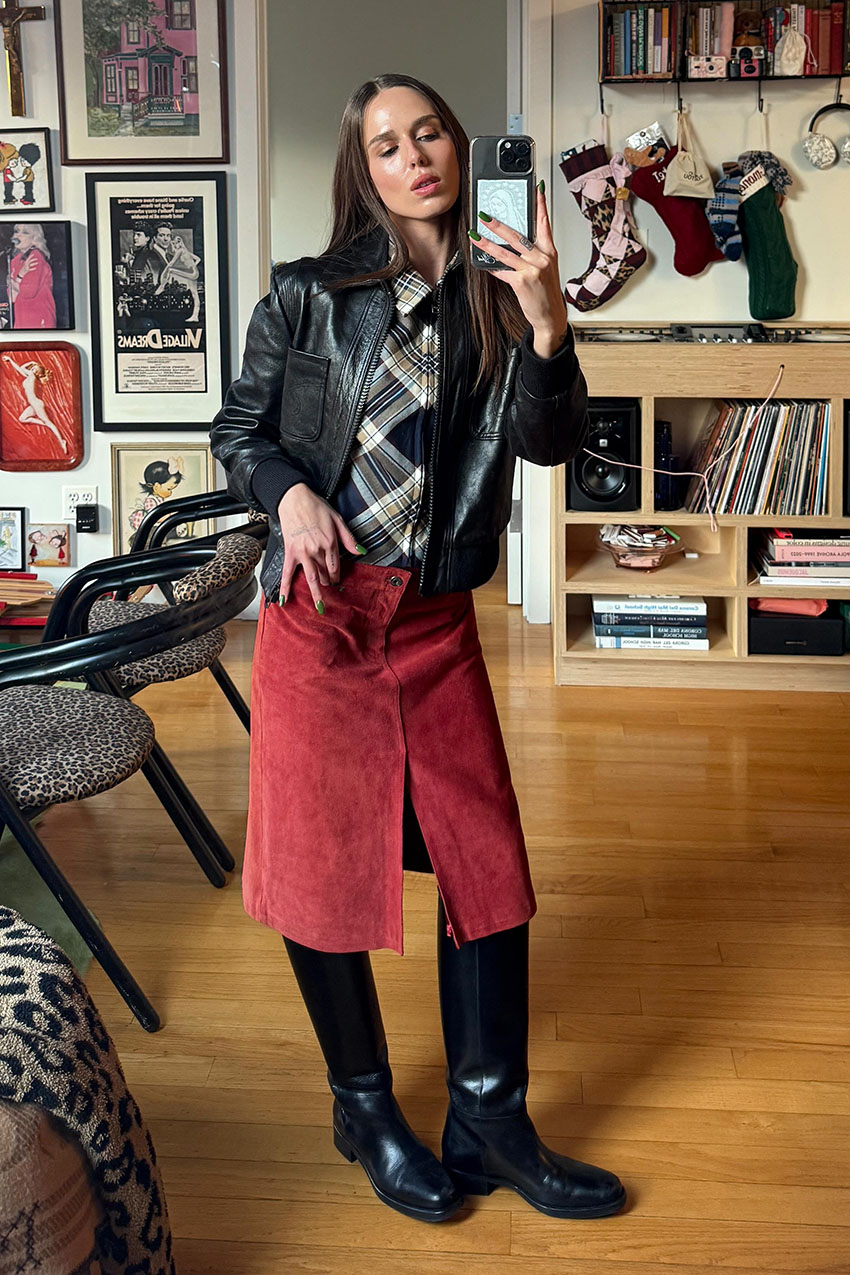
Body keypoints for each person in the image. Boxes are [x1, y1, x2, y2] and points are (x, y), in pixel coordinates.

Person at [210, 73, 625, 1225]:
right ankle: (365, 1107)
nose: (415, 158)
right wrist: (288, 495)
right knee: (319, 872)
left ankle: (489, 1116)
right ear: (366, 172)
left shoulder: (498, 302)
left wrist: (547, 317)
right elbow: (237, 431)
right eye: (386, 146)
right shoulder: (305, 295)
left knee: (485, 872)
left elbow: (548, 448)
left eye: (428, 132)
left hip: (435, 624)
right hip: (321, 620)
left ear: (457, 144)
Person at [8, 223, 56, 330]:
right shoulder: (15, 261)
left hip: (38, 318)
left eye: (25, 232)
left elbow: (28, 292)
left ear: (35, 238)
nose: (17, 235)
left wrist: (17, 279)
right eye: (17, 231)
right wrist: (21, 277)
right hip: (21, 317)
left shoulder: (36, 257)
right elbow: (12, 296)